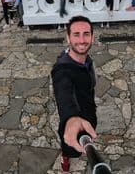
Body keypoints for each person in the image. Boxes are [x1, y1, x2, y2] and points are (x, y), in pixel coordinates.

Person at [51, 16, 97, 172]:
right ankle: (65, 157)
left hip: (89, 114)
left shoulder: (86, 59)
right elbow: (63, 92)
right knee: (69, 145)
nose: (82, 40)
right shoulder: (62, 69)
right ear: (68, 38)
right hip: (75, 119)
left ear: (93, 37)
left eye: (86, 34)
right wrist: (71, 118)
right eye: (76, 34)